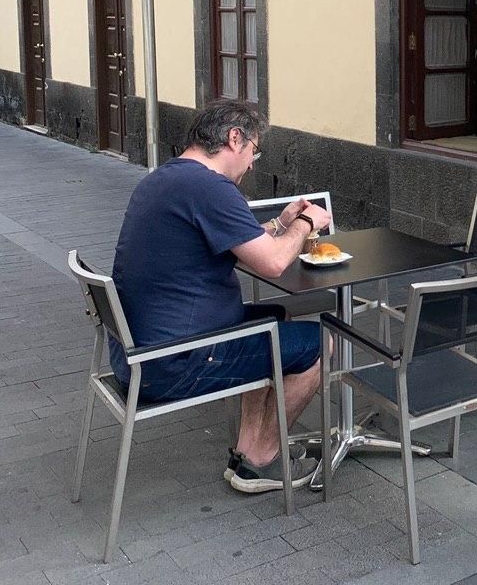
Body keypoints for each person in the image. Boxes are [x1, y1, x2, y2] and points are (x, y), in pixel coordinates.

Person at [109, 99, 333, 493]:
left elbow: (235, 239)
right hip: (175, 362)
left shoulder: (167, 178)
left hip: (140, 354)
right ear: (234, 138)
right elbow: (273, 264)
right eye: (254, 151)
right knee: (320, 343)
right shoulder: (211, 188)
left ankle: (247, 448)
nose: (252, 164)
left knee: (273, 319)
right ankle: (262, 460)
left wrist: (279, 224)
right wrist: (305, 222)